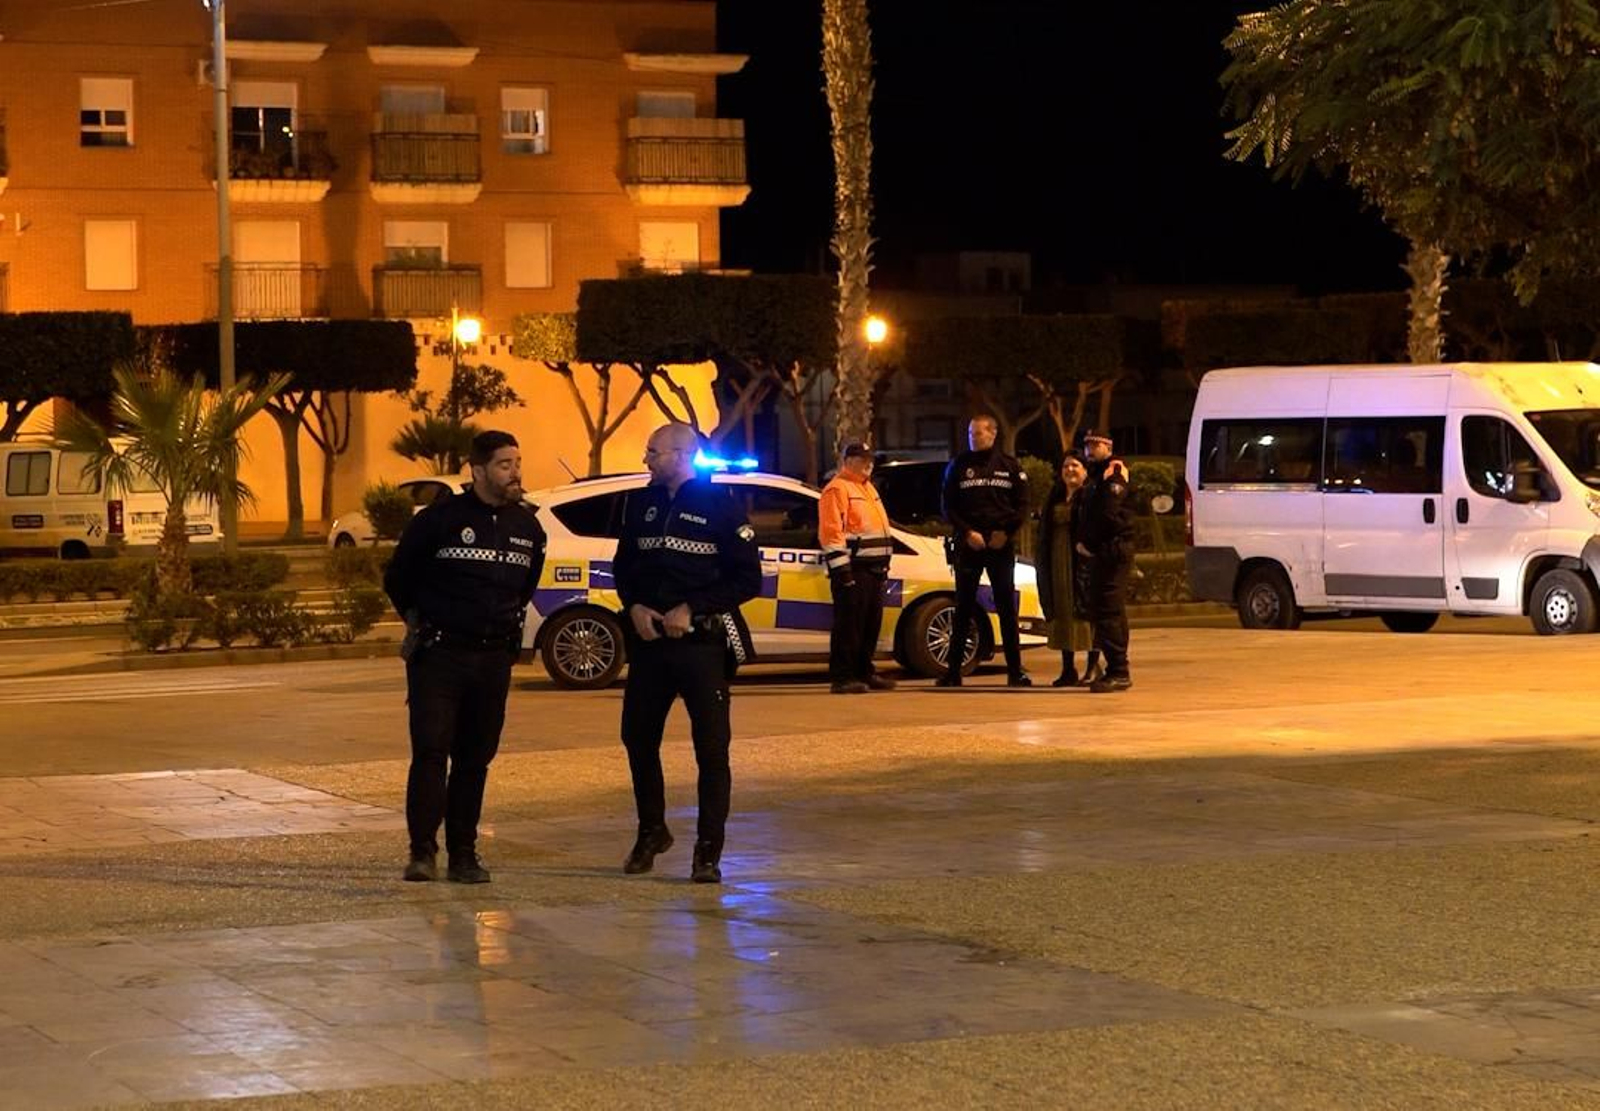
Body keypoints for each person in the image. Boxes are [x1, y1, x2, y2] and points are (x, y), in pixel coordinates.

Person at [383, 430, 547, 884]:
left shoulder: (528, 527)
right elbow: (399, 577)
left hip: (492, 659)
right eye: (504, 464)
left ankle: (464, 853)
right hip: (440, 655)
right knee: (432, 753)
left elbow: (524, 585)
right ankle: (421, 852)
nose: (515, 472)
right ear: (477, 471)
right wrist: (422, 619)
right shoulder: (439, 520)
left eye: (517, 462)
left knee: (475, 759)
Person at [613, 422, 763, 884]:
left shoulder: (721, 506)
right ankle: (651, 831)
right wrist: (633, 605)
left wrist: (692, 607)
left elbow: (747, 580)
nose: (646, 459)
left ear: (681, 455)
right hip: (652, 646)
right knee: (637, 739)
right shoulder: (641, 503)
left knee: (711, 751)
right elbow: (625, 565)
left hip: (701, 644)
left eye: (653, 451)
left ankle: (707, 850)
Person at [938, 414, 1031, 687]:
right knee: (963, 608)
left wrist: (1007, 533)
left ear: (992, 434)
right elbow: (948, 506)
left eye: (978, 433)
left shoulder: (1009, 466)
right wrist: (968, 532)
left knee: (1006, 609)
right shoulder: (959, 465)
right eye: (970, 433)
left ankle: (1015, 671)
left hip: (1000, 545)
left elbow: (1023, 505)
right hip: (970, 544)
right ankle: (953, 671)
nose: (973, 437)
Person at [818, 442, 896, 694]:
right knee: (848, 626)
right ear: (847, 461)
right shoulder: (837, 489)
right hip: (854, 569)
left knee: (869, 625)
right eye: (862, 460)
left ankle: (864, 671)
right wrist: (843, 572)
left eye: (870, 460)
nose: (868, 464)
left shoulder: (867, 488)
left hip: (873, 569)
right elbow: (831, 533)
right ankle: (842, 677)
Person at [1035, 451, 1100, 687]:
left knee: (1086, 611)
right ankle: (1067, 668)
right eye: (1065, 466)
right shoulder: (1055, 495)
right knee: (1062, 611)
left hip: (1081, 561)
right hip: (1057, 559)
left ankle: (1093, 667)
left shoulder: (1090, 495)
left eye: (1075, 466)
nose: (1069, 470)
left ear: (1084, 470)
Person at [1077, 430, 1134, 692]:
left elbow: (1107, 514)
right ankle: (1117, 667)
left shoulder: (1114, 471)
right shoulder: (1096, 474)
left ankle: (1118, 671)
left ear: (1108, 446)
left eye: (1096, 444)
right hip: (1106, 549)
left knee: (1109, 609)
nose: (1090, 448)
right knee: (1108, 609)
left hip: (1112, 548)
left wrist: (1089, 543)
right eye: (1087, 444)